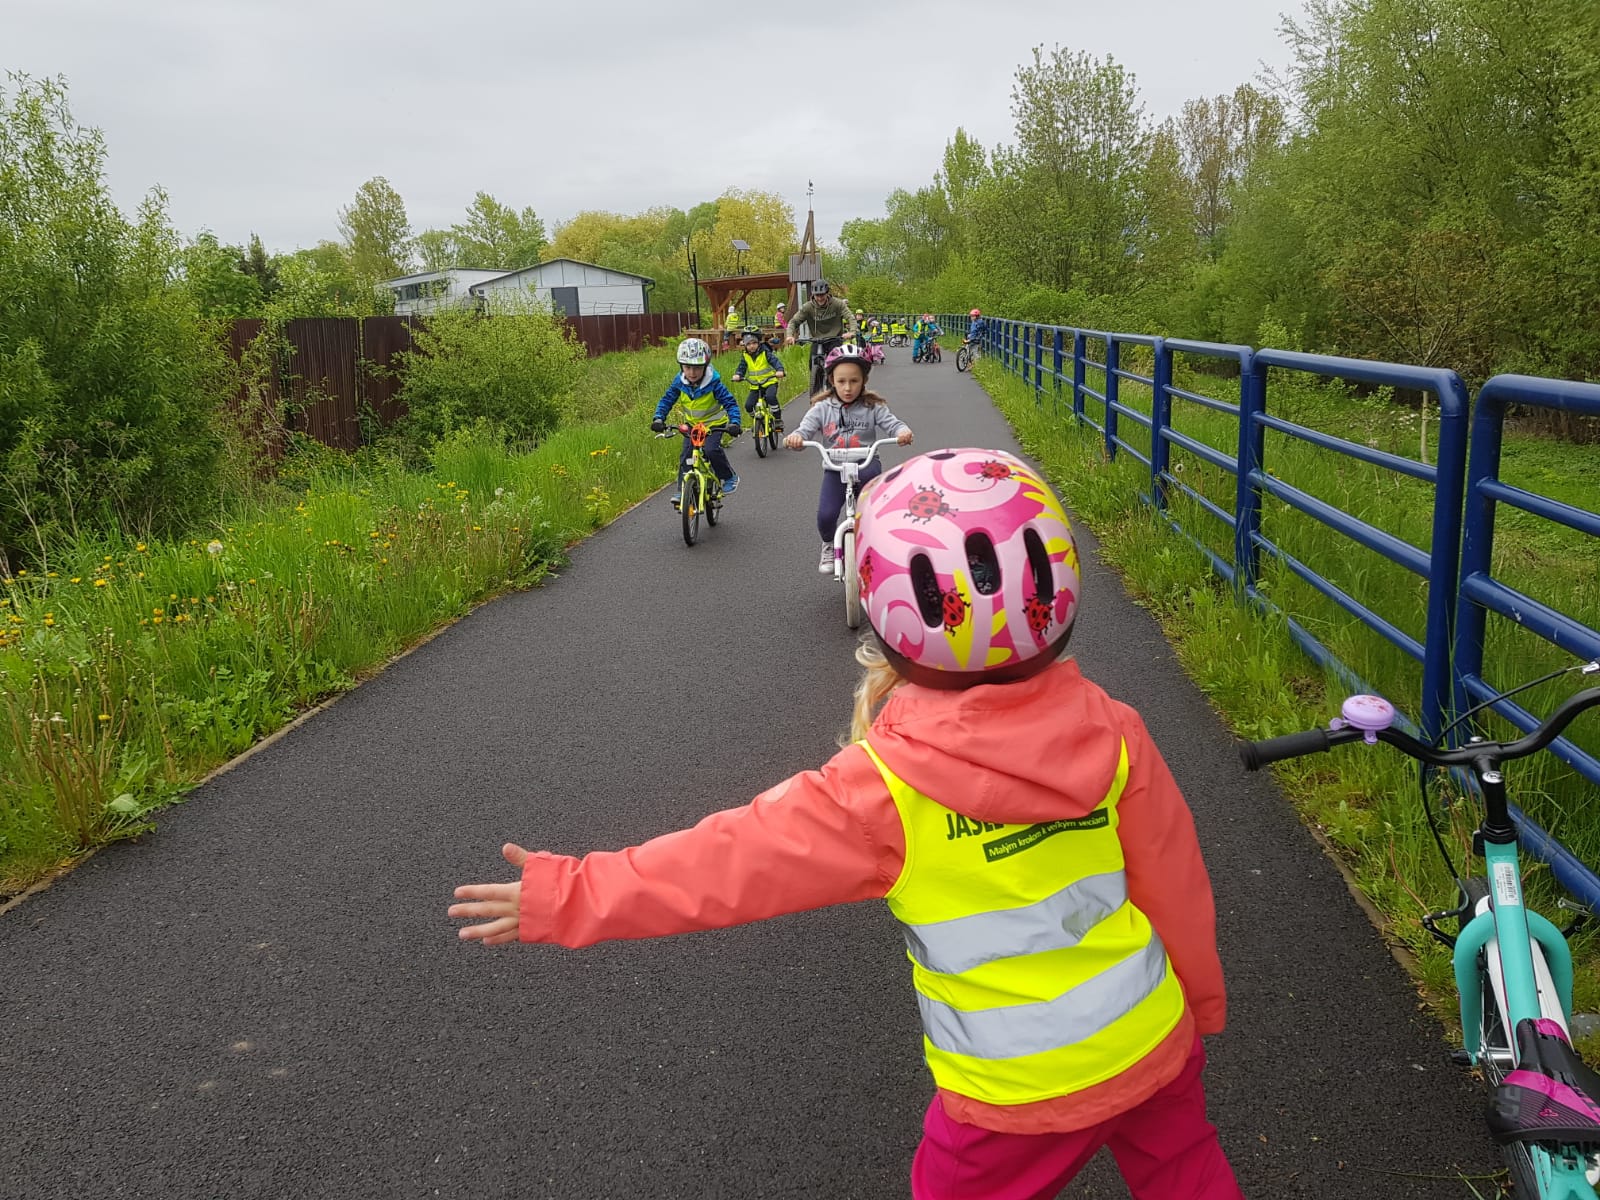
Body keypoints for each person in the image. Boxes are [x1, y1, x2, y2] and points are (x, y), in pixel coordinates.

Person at [449, 447, 1241, 1200]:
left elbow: (725, 864)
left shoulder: (881, 790)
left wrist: (568, 894)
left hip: (1011, 1089)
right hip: (1150, 1037)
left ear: (888, 617)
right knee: (1188, 1173)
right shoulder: (1113, 731)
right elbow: (1173, 879)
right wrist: (1198, 1004)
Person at [784, 343, 913, 573]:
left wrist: (902, 432)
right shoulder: (821, 408)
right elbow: (805, 430)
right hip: (835, 466)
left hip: (866, 463)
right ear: (831, 380)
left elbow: (893, 424)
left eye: (854, 381)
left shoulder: (873, 407)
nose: (847, 388)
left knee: (874, 510)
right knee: (826, 515)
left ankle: (875, 547)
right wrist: (796, 438)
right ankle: (828, 544)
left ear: (864, 380)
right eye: (841, 381)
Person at [650, 337, 741, 501]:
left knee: (711, 450)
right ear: (681, 366)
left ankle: (728, 477)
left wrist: (734, 422)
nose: (692, 373)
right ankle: (683, 490)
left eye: (697, 368)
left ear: (705, 366)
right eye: (687, 367)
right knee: (686, 455)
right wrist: (658, 418)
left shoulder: (714, 384)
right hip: (692, 426)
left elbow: (730, 403)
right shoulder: (679, 382)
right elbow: (667, 400)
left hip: (713, 425)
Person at [784, 280, 860, 389]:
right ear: (813, 295)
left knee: (835, 364)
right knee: (812, 363)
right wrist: (790, 335)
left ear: (827, 293)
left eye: (822, 295)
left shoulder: (838, 304)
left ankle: (833, 386)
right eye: (817, 295)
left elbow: (850, 318)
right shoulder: (808, 307)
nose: (820, 298)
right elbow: (794, 321)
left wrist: (852, 331)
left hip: (834, 338)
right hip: (817, 339)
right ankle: (816, 392)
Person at [730, 328, 788, 434]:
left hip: (769, 382)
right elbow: (742, 367)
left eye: (754, 343)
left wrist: (780, 370)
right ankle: (757, 422)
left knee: (770, 397)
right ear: (745, 345)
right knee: (748, 406)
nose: (751, 346)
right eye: (748, 344)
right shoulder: (745, 355)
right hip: (755, 386)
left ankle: (777, 419)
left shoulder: (765, 352)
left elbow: (775, 362)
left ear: (759, 342)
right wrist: (738, 375)